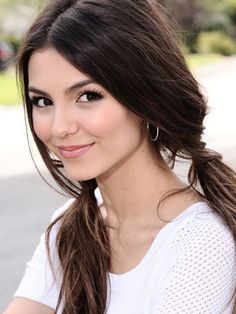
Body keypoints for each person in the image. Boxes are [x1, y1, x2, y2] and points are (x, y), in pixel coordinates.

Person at [4, 0, 236, 313]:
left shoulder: (200, 244)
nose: (59, 128)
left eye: (88, 96)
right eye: (43, 101)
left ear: (146, 98)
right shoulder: (70, 231)